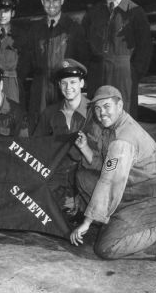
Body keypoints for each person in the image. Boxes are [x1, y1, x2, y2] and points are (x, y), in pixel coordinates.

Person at [69, 85, 156, 261]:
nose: (101, 113)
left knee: (105, 247)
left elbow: (109, 181)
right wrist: (84, 148)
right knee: (84, 177)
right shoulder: (113, 126)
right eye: (97, 108)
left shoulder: (123, 139)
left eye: (106, 106)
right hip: (134, 189)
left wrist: (87, 222)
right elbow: (105, 165)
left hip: (152, 198)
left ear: (119, 106)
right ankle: (115, 222)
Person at [82, 0, 152, 117]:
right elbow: (83, 45)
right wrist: (90, 72)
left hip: (124, 76)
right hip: (98, 74)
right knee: (97, 119)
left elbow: (145, 49)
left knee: (123, 119)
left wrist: (132, 74)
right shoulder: (93, 13)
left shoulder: (135, 12)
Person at [20, 0, 86, 128]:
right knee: (38, 126)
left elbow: (83, 59)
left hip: (63, 87)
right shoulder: (35, 30)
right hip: (40, 86)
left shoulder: (73, 28)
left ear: (62, 0)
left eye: (55, 0)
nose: (51, 5)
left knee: (64, 126)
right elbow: (25, 61)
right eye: (47, 1)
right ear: (42, 2)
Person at [33, 59, 91, 212]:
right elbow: (37, 146)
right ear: (58, 86)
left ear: (82, 83)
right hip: (58, 173)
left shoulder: (94, 112)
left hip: (87, 173)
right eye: (63, 83)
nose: (68, 87)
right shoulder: (50, 113)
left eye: (73, 82)